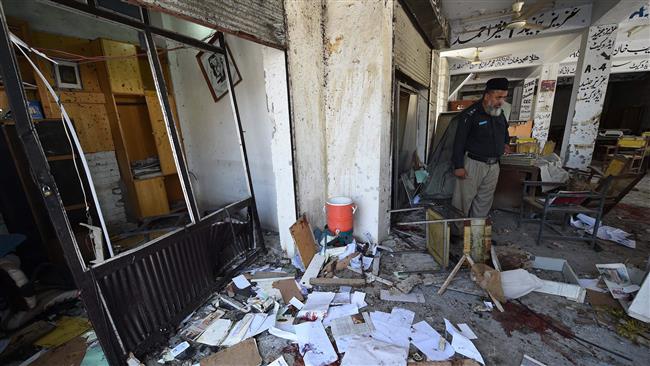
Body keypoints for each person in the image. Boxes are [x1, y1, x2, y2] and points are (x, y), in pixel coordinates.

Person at [451, 78, 511, 222]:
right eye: (498, 97)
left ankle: (475, 236)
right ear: (487, 96)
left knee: (484, 202)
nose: (501, 101)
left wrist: (505, 143)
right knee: (462, 202)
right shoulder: (470, 114)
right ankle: (456, 233)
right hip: (472, 164)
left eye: (504, 97)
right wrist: (458, 166)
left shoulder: (499, 113)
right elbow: (459, 141)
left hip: (493, 166)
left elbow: (505, 131)